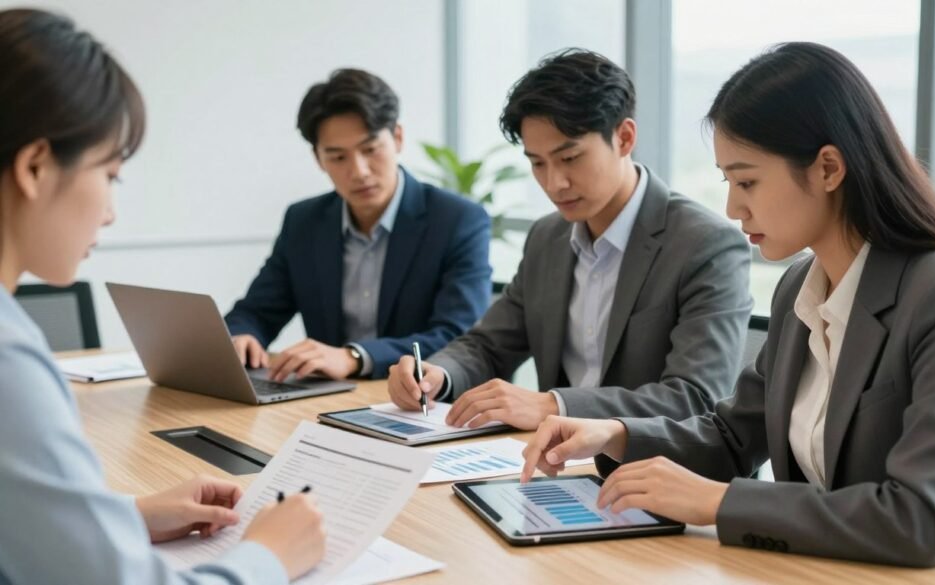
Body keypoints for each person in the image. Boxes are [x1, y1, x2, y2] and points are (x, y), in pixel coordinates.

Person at [520, 42, 935, 579]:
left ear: (828, 168)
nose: (734, 207)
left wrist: (716, 503)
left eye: (747, 181)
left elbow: (921, 517)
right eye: (728, 183)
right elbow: (734, 436)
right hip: (829, 569)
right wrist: (613, 433)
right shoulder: (798, 290)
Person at [0, 9, 325, 583]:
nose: (110, 210)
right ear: (34, 167)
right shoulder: (9, 360)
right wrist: (269, 557)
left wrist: (119, 517)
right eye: (111, 174)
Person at [387, 49, 753, 431]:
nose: (553, 183)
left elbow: (694, 398)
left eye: (570, 158)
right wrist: (436, 375)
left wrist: (553, 405)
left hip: (653, 471)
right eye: (538, 163)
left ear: (624, 137)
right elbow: (488, 345)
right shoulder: (548, 237)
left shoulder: (706, 244)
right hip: (551, 464)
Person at [224, 68, 492, 382]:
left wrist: (354, 357)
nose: (359, 171)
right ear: (318, 159)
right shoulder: (304, 221)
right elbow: (256, 310)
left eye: (370, 150)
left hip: (421, 402)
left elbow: (456, 337)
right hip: (329, 399)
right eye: (338, 157)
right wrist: (241, 336)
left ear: (398, 138)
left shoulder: (457, 220)